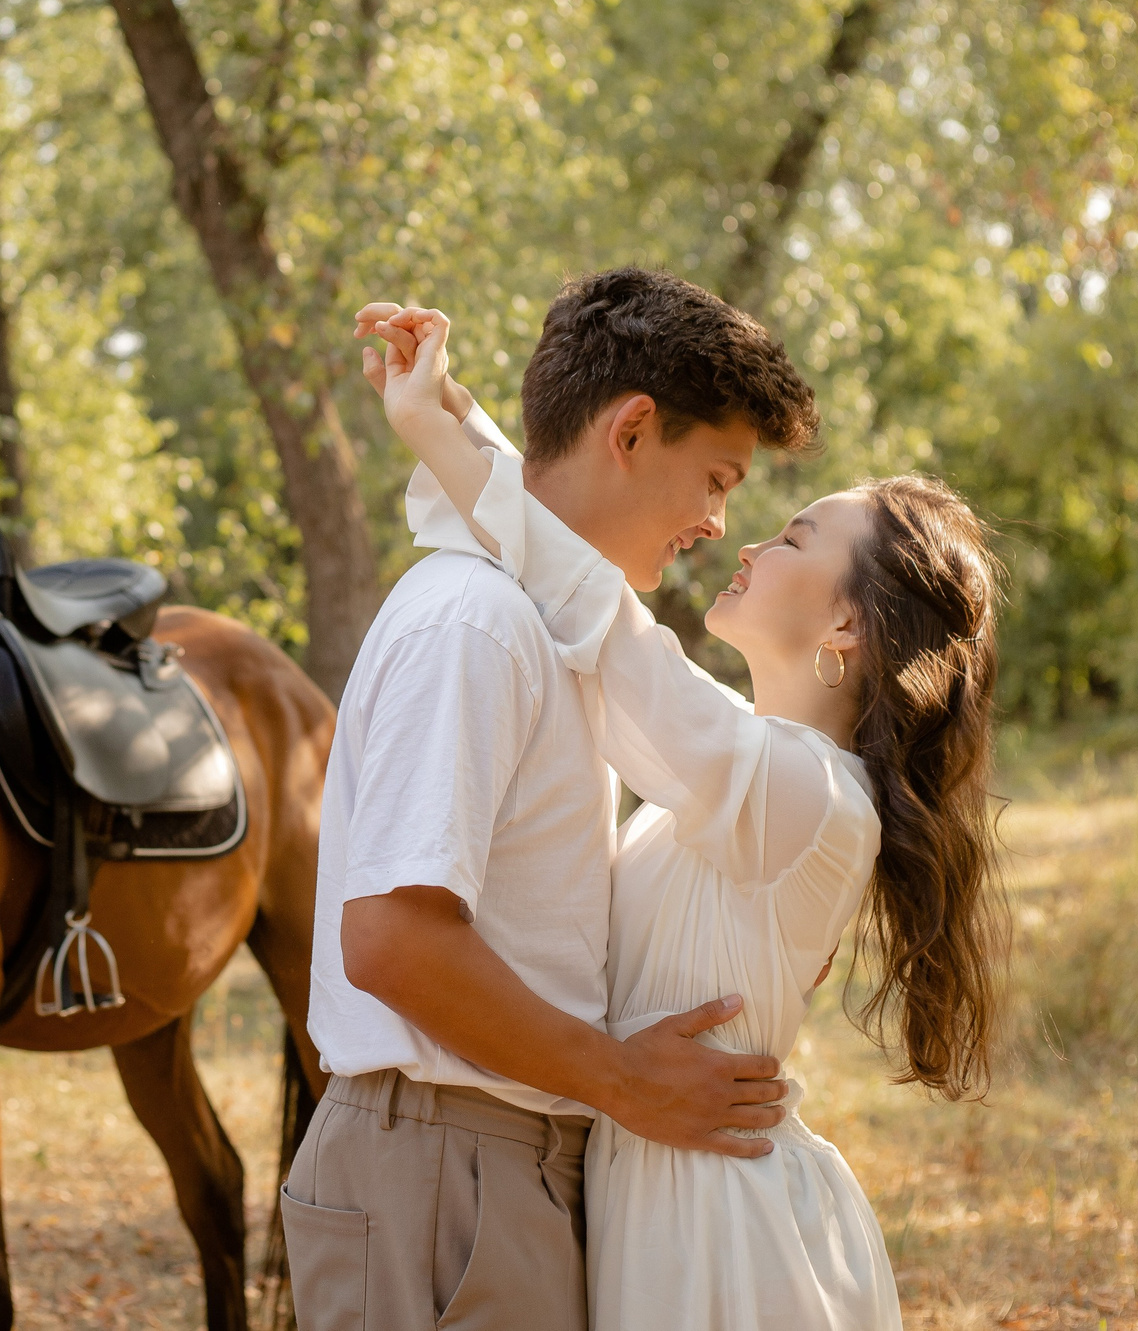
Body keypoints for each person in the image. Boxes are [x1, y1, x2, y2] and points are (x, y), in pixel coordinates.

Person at [364, 299, 1008, 1331]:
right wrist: (459, 418)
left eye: (794, 533)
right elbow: (573, 581)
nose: (739, 534)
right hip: (648, 1184)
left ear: (846, 620)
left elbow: (602, 627)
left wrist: (442, 432)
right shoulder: (733, 779)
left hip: (718, 1217)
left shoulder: (812, 801)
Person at [280, 268, 825, 1331]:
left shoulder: (552, 627)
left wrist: (451, 419)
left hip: (494, 1157)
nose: (717, 522)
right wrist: (622, 1082)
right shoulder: (476, 628)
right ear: (631, 431)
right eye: (716, 478)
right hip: (441, 1168)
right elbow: (391, 938)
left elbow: (551, 552)